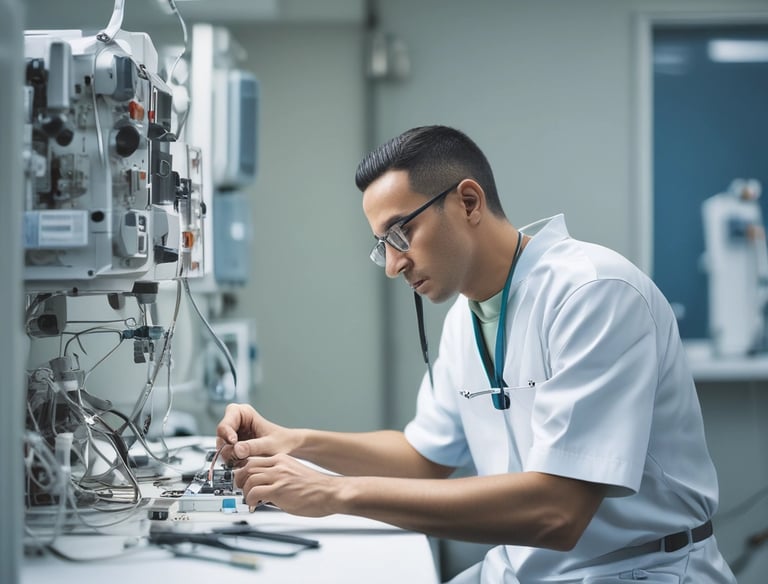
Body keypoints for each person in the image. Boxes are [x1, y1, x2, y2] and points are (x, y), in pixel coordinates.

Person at [216, 125, 736, 583]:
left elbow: (557, 512)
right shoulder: (466, 319)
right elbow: (424, 460)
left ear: (468, 201)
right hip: (521, 569)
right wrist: (295, 441)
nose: (392, 265)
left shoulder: (594, 294)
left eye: (402, 233)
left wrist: (337, 493)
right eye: (382, 244)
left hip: (636, 570)